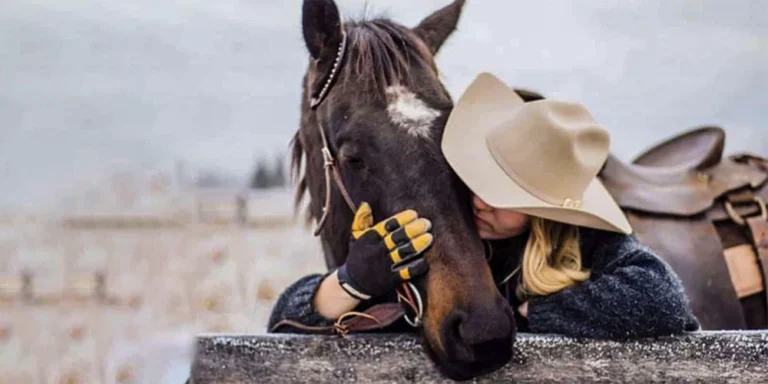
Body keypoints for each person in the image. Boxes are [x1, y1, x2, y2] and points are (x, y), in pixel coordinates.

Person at [268, 73, 699, 339]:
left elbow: (663, 300)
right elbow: (284, 316)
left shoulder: (587, 245)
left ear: (543, 211)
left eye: (503, 194)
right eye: (480, 179)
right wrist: (351, 282)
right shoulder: (458, 233)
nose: (479, 201)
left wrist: (530, 309)